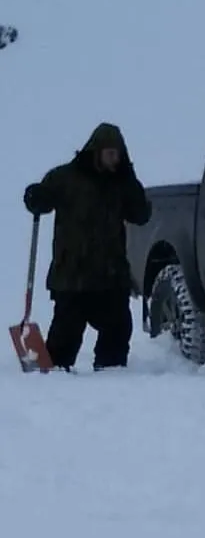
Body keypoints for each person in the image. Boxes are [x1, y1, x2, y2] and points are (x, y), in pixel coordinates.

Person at [23, 122, 152, 372]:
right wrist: (34, 197)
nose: (115, 160)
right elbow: (43, 200)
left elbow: (140, 215)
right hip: (72, 272)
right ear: (96, 151)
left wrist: (131, 182)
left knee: (118, 327)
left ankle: (111, 373)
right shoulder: (65, 178)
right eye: (110, 154)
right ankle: (54, 375)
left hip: (110, 273)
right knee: (66, 332)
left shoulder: (122, 183)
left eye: (119, 155)